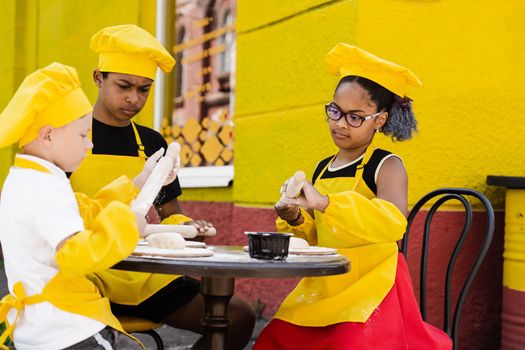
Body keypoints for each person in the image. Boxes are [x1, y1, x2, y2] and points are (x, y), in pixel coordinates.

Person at [254, 43, 452, 349]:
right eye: (335, 111)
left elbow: (393, 222)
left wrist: (324, 202)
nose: (339, 123)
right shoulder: (323, 167)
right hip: (324, 286)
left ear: (380, 120)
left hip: (371, 288)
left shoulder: (386, 166)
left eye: (355, 117)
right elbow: (319, 238)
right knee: (273, 339)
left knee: (347, 344)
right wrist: (295, 217)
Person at [70, 24, 255, 350]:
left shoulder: (152, 144)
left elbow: (170, 213)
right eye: (124, 85)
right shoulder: (70, 136)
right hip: (86, 277)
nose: (133, 98)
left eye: (144, 89)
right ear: (98, 77)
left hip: (144, 279)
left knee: (239, 316)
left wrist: (190, 228)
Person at [0, 62, 162, 349]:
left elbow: (85, 211)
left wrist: (139, 181)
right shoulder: (44, 188)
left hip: (40, 331)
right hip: (71, 331)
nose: (89, 145)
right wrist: (130, 224)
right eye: (83, 135)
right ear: (48, 135)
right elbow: (76, 255)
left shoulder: (25, 179)